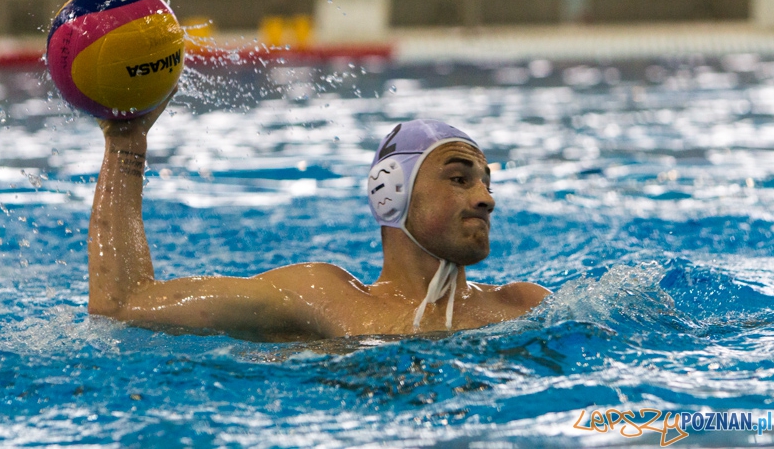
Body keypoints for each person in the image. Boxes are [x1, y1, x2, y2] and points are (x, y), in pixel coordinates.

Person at [89, 96, 550, 342]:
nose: (486, 198)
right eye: (459, 179)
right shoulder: (322, 298)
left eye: (487, 182)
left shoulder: (525, 306)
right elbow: (123, 304)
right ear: (391, 192)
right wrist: (127, 144)